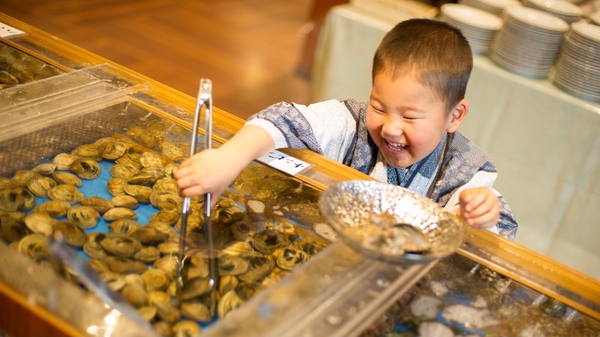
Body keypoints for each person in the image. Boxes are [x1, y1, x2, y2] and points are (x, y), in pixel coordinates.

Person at [176, 18, 518, 240]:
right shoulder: (351, 123)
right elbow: (285, 119)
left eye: (411, 117)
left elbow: (500, 227)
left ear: (454, 116)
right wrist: (230, 159)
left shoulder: (468, 170)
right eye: (380, 107)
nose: (391, 129)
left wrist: (482, 214)